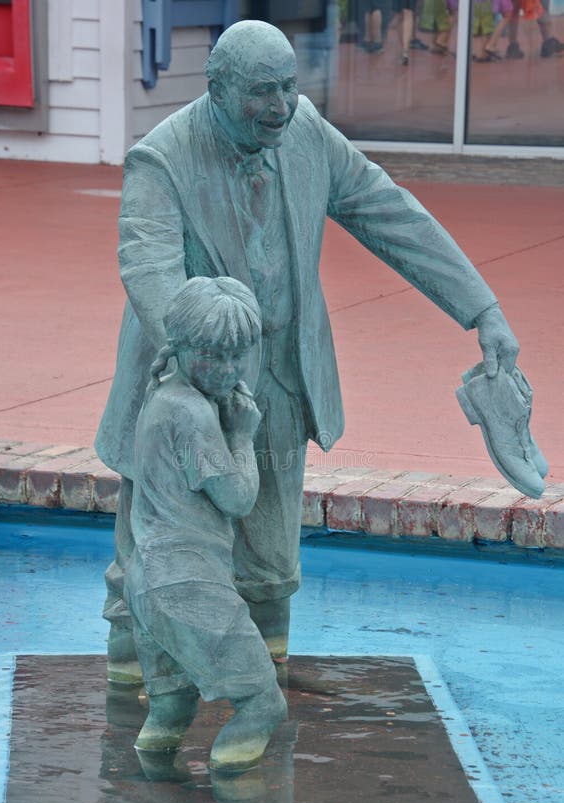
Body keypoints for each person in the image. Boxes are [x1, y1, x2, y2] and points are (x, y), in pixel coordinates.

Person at [95, 19, 519, 688]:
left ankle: (264, 708)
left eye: (291, 87)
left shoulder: (306, 133)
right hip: (183, 388)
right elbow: (148, 270)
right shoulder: (162, 157)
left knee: (270, 568)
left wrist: (481, 310)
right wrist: (207, 357)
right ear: (217, 89)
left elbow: (390, 212)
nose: (281, 107)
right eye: (264, 91)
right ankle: (132, 695)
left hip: (282, 379)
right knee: (148, 565)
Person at [125, 275, 287, 771]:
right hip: (189, 583)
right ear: (180, 346)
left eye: (239, 356)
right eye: (213, 356)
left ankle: (152, 797)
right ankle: (235, 801)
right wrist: (243, 436)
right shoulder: (193, 412)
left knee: (171, 707)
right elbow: (237, 498)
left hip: (146, 580)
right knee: (264, 704)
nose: (229, 370)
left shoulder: (164, 395)